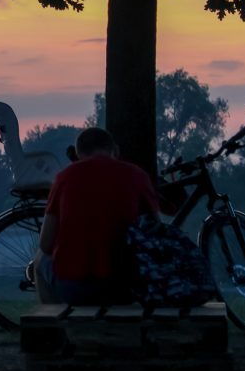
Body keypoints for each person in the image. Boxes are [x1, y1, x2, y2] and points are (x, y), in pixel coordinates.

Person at [34, 127, 159, 306]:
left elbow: (45, 244)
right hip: (126, 289)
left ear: (78, 153)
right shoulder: (137, 175)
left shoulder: (64, 178)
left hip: (74, 288)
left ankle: (55, 327)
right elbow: (156, 230)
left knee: (40, 261)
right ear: (114, 150)